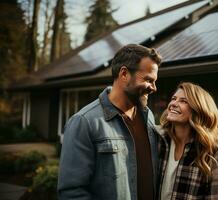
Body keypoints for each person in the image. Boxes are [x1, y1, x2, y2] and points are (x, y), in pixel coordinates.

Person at [58, 44, 162, 200]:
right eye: (148, 80)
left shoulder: (149, 118)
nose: (154, 88)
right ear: (124, 74)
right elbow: (71, 193)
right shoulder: (84, 122)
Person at [157, 82, 218, 200]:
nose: (173, 104)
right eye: (174, 99)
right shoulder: (158, 139)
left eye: (183, 101)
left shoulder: (211, 151)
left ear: (198, 109)